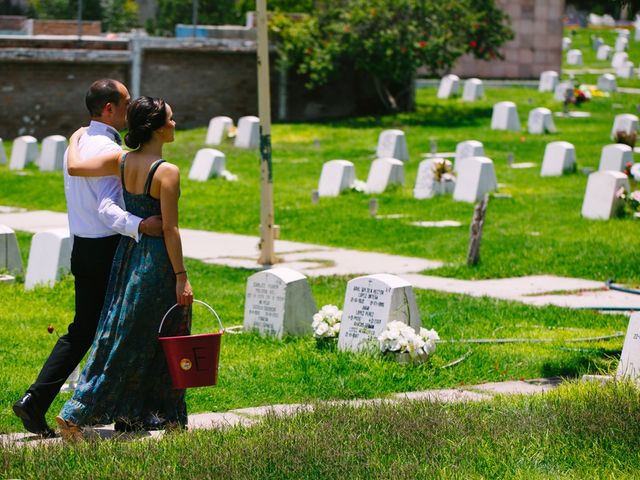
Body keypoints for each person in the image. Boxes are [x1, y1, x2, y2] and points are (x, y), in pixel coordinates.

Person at [12, 79, 164, 438]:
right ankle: (124, 414)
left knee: (83, 332)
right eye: (126, 103)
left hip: (82, 245)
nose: (130, 110)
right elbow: (107, 208)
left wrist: (72, 140)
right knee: (122, 328)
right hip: (108, 248)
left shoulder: (79, 142)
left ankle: (36, 399)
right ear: (109, 108)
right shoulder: (105, 150)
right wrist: (142, 225)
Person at [55, 96, 193, 440]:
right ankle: (78, 412)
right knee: (163, 334)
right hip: (158, 263)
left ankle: (139, 414)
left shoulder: (122, 161)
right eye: (171, 119)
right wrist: (182, 277)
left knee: (125, 331)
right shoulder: (167, 172)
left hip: (128, 256)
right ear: (158, 128)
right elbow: (171, 230)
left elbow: (75, 167)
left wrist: (75, 139)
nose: (175, 124)